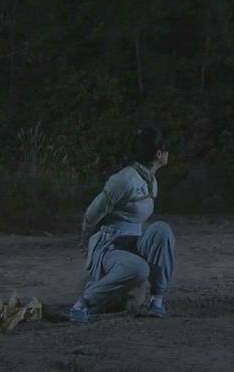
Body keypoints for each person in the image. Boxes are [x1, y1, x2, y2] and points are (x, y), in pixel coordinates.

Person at [69, 126, 175, 322]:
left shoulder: (151, 181)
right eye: (166, 149)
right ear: (159, 154)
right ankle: (83, 302)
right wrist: (86, 240)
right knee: (140, 269)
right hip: (110, 245)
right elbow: (92, 213)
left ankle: (157, 301)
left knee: (162, 230)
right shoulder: (125, 179)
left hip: (133, 242)